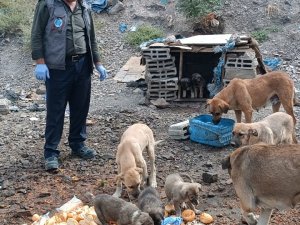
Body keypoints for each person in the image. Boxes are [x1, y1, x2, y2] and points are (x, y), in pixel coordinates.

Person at [31, 0, 107, 171]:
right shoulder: (48, 4)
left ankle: (77, 143)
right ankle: (51, 152)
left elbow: (91, 38)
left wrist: (98, 62)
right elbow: (36, 34)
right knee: (56, 110)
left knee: (80, 107)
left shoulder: (85, 7)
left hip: (82, 64)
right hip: (58, 67)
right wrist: (40, 62)